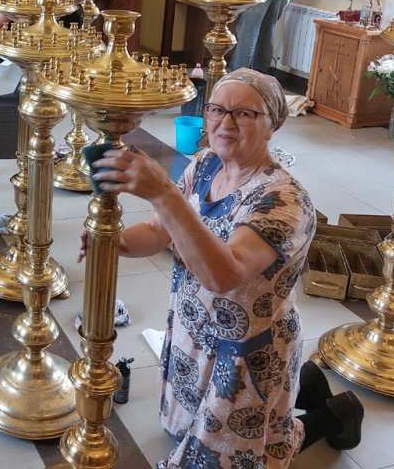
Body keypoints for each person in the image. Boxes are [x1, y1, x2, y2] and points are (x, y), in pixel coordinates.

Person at [86, 69, 364, 467]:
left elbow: (224, 274)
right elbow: (158, 230)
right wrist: (113, 240)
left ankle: (334, 416)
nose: (225, 123)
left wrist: (162, 192)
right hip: (194, 331)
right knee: (187, 432)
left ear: (272, 124)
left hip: (246, 351)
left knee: (236, 456)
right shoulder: (205, 164)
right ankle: (306, 384)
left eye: (244, 114)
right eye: (216, 109)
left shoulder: (284, 201)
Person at [0, 0, 104, 256]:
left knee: (33, 155)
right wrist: (19, 53)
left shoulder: (72, 12)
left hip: (37, 85)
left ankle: (29, 220)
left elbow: (68, 53)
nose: (72, 0)